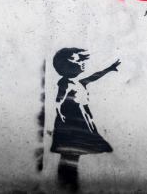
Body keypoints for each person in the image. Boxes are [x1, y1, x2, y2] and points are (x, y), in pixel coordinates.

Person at [50, 47, 121, 192]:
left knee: (72, 156)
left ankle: (69, 185)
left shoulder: (79, 82)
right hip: (70, 123)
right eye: (79, 60)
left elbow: (94, 76)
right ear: (66, 65)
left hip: (79, 122)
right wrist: (60, 114)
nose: (83, 63)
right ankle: (67, 186)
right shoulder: (65, 83)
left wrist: (110, 68)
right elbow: (59, 100)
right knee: (69, 155)